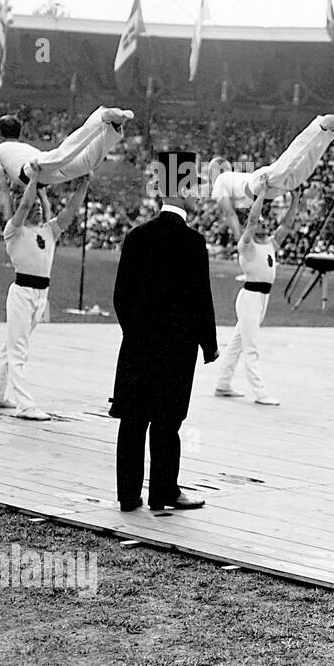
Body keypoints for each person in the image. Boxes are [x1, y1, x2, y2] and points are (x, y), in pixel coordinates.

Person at [111, 151, 218, 512]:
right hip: (176, 350)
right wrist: (209, 345)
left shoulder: (137, 236)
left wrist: (137, 333)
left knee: (133, 421)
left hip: (139, 347)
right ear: (184, 189)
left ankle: (128, 496)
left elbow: (120, 296)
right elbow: (200, 299)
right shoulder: (193, 242)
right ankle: (163, 492)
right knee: (167, 422)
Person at [0, 168, 89, 420]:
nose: (36, 208)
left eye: (40, 206)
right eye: (33, 205)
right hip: (22, 294)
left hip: (40, 295)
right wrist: (35, 178)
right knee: (18, 351)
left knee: (11, 346)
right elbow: (24, 205)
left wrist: (83, 184)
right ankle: (24, 405)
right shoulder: (13, 230)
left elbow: (70, 211)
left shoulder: (48, 231)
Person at [212, 187, 300, 405]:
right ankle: (261, 393)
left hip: (262, 298)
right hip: (250, 297)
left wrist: (295, 199)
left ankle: (223, 384)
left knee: (237, 343)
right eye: (260, 222)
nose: (263, 225)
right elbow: (250, 221)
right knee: (251, 348)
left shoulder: (270, 243)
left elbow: (287, 224)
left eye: (264, 222)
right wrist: (262, 194)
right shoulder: (246, 244)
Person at [0, 109, 132, 218]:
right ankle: (114, 126)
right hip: (44, 175)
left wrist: (10, 221)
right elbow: (32, 188)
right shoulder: (24, 147)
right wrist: (46, 214)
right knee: (87, 163)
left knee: (63, 155)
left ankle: (101, 117)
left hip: (32, 168)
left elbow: (4, 190)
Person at [211, 114, 334, 216]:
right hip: (263, 193)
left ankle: (324, 128)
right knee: (303, 168)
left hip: (258, 186)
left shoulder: (230, 178)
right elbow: (225, 208)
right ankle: (327, 131)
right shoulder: (219, 182)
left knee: (293, 163)